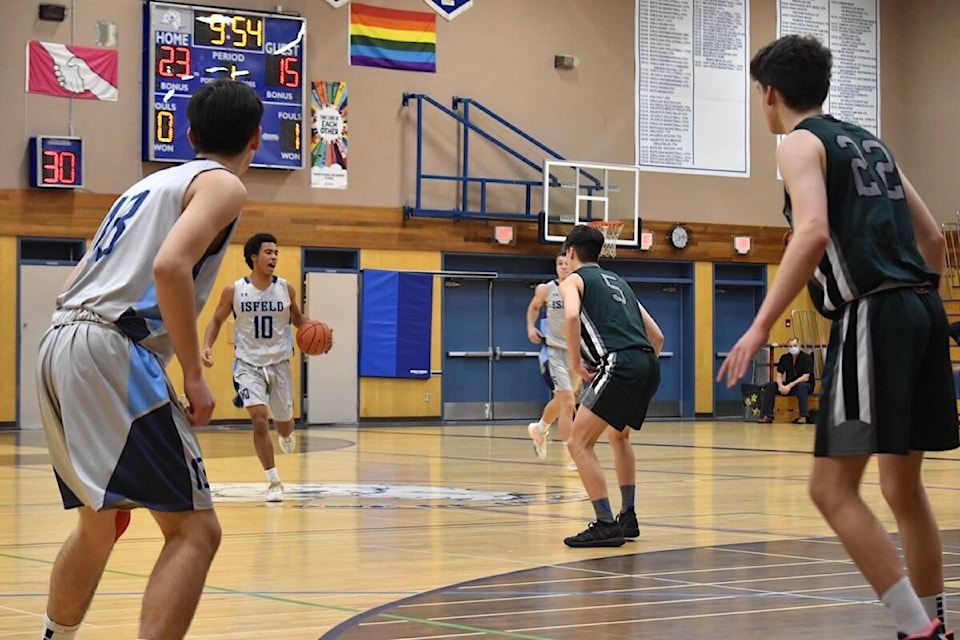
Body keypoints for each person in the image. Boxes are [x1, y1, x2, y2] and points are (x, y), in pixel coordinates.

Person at [718, 35, 957, 640]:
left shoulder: (798, 144)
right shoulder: (873, 144)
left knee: (830, 489)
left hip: (875, 314)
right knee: (903, 486)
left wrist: (760, 324)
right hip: (925, 308)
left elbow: (815, 230)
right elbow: (934, 243)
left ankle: (915, 629)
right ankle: (940, 623)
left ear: (769, 95)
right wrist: (915, 299)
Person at [35, 79, 263, 640]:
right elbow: (170, 266)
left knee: (99, 523)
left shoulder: (145, 187)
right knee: (196, 532)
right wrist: (192, 371)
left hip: (60, 339)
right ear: (257, 139)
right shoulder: (224, 184)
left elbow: (80, 275)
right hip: (111, 347)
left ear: (188, 133)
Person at [559, 224, 664, 547]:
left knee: (578, 443)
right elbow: (657, 336)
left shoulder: (572, 280)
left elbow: (573, 317)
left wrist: (576, 362)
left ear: (571, 253)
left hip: (620, 364)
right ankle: (627, 516)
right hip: (648, 362)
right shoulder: (620, 282)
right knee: (618, 436)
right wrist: (640, 366)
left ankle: (605, 523)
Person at [202, 233, 308, 503]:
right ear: (253, 257)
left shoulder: (286, 288)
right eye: (269, 252)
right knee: (259, 418)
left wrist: (316, 332)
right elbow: (215, 320)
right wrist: (207, 346)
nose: (274, 257)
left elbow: (297, 319)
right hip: (248, 364)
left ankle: (287, 431)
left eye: (276, 253)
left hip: (280, 363)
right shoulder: (235, 289)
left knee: (284, 426)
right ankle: (274, 481)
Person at [525, 252, 578, 469]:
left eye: (567, 263)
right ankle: (573, 453)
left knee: (561, 402)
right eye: (559, 263)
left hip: (575, 352)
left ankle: (540, 428)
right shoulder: (546, 289)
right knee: (567, 403)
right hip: (553, 351)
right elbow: (534, 307)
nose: (563, 266)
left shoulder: (580, 289)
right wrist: (530, 326)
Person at [756, 336, 814, 424]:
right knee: (770, 386)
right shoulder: (785, 358)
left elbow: (805, 377)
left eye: (795, 345)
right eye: (790, 346)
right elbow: (779, 374)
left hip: (804, 385)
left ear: (799, 346)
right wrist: (780, 386)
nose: (793, 348)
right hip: (789, 385)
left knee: (801, 387)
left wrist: (789, 386)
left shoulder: (806, 358)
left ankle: (803, 416)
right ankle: (768, 415)